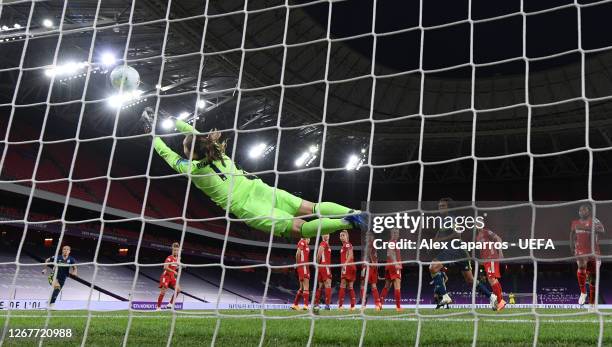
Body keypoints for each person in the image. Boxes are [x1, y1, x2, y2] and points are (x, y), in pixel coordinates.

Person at [141, 108, 368, 239]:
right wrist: (171, 119)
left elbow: (166, 154)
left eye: (184, 147)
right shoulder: (218, 150)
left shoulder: (191, 169)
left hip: (247, 207)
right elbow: (193, 133)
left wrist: (151, 134)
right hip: (257, 187)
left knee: (300, 228)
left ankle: (349, 223)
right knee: (312, 207)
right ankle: (355, 212)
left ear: (191, 154)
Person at [429, 198, 497, 310]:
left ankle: (445, 296)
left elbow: (457, 235)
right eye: (439, 206)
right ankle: (491, 296)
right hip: (458, 252)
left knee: (433, 267)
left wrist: (440, 240)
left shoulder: (452, 219)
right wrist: (435, 240)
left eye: (443, 206)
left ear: (448, 208)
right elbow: (440, 231)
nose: (440, 208)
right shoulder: (442, 220)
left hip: (456, 249)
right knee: (470, 280)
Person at [570, 204, 605, 307]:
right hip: (580, 250)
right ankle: (583, 292)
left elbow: (602, 230)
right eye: (580, 210)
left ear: (588, 212)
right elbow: (572, 234)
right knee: (581, 265)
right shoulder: (575, 223)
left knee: (592, 280)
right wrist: (572, 246)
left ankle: (592, 304)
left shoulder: (594, 220)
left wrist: (588, 229)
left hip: (594, 252)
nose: (581, 212)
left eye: (584, 210)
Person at [475, 226, 506, 311]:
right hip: (486, 259)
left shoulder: (486, 231)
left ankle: (500, 302)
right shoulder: (477, 236)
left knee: (492, 279)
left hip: (491, 257)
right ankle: (501, 300)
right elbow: (482, 249)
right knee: (492, 279)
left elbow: (499, 239)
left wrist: (500, 252)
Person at [42, 245, 77, 309]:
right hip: (53, 276)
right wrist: (45, 269)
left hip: (63, 278)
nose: (66, 251)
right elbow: (47, 260)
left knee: (57, 291)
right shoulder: (57, 257)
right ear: (62, 250)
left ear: (69, 251)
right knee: (57, 287)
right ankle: (51, 304)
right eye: (64, 249)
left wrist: (74, 272)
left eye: (67, 250)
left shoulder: (71, 259)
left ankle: (49, 303)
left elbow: (74, 268)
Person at [379, 229, 402, 312]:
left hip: (389, 266)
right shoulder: (392, 242)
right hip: (394, 267)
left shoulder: (392, 242)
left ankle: (379, 304)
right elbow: (390, 253)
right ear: (391, 233)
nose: (396, 234)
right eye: (394, 233)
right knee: (397, 284)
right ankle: (398, 307)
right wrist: (396, 263)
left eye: (397, 233)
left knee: (387, 286)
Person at [359, 232, 382, 310]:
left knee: (362, 285)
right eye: (366, 235)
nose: (366, 237)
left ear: (371, 236)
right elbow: (376, 257)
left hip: (367, 266)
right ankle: (377, 304)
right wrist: (375, 265)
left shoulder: (369, 245)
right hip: (373, 267)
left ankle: (363, 304)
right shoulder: (374, 245)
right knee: (373, 285)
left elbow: (368, 254)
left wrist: (370, 264)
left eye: (367, 235)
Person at [157, 242, 182, 310]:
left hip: (172, 277)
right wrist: (174, 271)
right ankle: (158, 307)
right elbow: (165, 267)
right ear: (172, 250)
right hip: (166, 276)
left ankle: (170, 304)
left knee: (178, 290)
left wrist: (180, 266)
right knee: (163, 291)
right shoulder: (169, 258)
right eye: (174, 250)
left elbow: (175, 267)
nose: (175, 251)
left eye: (177, 250)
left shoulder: (177, 259)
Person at [338, 231, 356, 310]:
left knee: (342, 285)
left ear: (347, 236)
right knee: (350, 287)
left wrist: (345, 264)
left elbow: (351, 255)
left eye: (343, 235)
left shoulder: (347, 244)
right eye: (340, 236)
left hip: (347, 266)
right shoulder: (345, 246)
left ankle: (340, 306)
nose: (341, 237)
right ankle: (352, 306)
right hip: (351, 266)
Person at [314, 234, 332, 311]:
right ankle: (327, 305)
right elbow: (318, 254)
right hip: (325, 266)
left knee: (320, 286)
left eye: (327, 234)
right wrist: (317, 264)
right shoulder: (323, 243)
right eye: (324, 234)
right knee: (328, 284)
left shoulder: (326, 244)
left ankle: (316, 304)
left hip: (322, 266)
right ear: (322, 235)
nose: (326, 235)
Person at [292, 238, 311, 310]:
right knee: (306, 286)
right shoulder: (302, 241)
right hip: (304, 267)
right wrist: (297, 264)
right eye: (309, 238)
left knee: (301, 287)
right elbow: (297, 253)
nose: (309, 240)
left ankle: (295, 304)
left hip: (302, 267)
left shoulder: (303, 243)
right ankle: (306, 305)